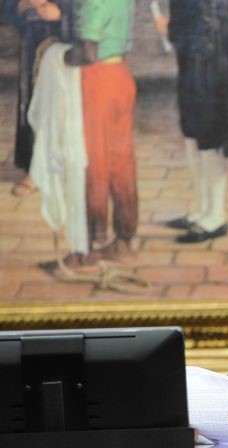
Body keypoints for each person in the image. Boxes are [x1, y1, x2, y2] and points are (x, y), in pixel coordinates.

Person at [157, 0, 228, 243]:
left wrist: (171, 30)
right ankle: (202, 210)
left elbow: (208, 19)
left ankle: (216, 216)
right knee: (193, 131)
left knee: (209, 134)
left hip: (209, 57)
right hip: (195, 53)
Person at [64, 0, 138, 262]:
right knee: (121, 161)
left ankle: (91, 242)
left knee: (93, 162)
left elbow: (88, 52)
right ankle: (124, 238)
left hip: (97, 80)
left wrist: (59, 57)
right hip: (120, 75)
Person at [4, 0, 72, 197]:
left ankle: (49, 169)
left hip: (66, 44)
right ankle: (36, 166)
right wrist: (22, 5)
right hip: (33, 40)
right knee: (34, 102)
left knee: (59, 105)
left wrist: (61, 13)